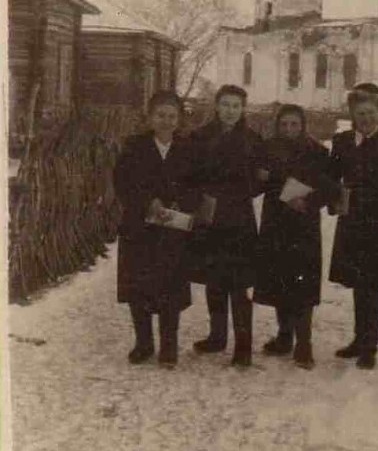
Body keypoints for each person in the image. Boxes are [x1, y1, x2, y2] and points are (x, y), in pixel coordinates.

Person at [114, 90, 197, 369]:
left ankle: (169, 347)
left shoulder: (187, 149)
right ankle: (144, 343)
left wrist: (177, 203)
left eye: (172, 116)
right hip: (139, 228)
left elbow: (195, 186)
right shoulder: (134, 147)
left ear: (179, 120)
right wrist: (148, 202)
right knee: (139, 287)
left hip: (172, 230)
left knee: (170, 289)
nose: (166, 121)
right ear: (150, 117)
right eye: (160, 115)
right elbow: (123, 182)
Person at [328, 83, 378, 370]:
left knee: (372, 286)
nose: (366, 118)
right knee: (357, 285)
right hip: (352, 223)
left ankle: (369, 348)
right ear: (352, 113)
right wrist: (334, 200)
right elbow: (331, 178)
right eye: (360, 113)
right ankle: (358, 340)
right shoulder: (342, 141)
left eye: (371, 112)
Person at [253, 104, 339, 370]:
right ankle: (284, 335)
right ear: (278, 126)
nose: (289, 129)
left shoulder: (317, 151)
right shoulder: (267, 149)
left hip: (304, 227)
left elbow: (330, 188)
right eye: (284, 124)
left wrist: (308, 201)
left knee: (302, 284)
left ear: (303, 126)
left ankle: (304, 343)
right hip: (276, 224)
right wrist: (262, 177)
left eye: (294, 124)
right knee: (279, 280)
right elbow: (258, 185)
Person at [188, 85, 265, 368]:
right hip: (210, 217)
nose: (230, 111)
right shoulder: (200, 137)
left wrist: (238, 190)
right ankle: (217, 336)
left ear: (243, 108)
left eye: (236, 105)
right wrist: (204, 195)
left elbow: (260, 181)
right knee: (214, 279)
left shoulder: (253, 140)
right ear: (216, 107)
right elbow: (190, 175)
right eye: (225, 105)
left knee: (239, 283)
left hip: (239, 219)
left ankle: (243, 346)